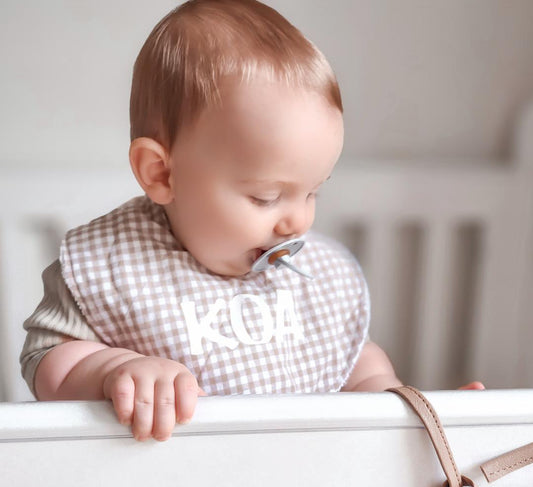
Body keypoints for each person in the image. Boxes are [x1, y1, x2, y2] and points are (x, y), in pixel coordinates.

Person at [20, 0, 482, 442]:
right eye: (265, 197)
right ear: (161, 173)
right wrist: (110, 371)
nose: (297, 221)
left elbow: (351, 360)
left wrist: (399, 411)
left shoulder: (306, 274)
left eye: (313, 192)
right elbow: (46, 363)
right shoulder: (114, 264)